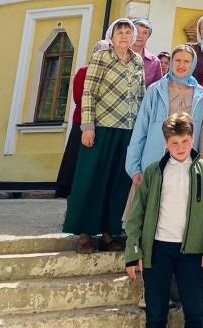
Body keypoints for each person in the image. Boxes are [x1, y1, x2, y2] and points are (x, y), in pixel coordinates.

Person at [124, 112, 203, 328]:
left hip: (192, 253)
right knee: (156, 314)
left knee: (196, 313)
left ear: (192, 139)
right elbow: (136, 214)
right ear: (166, 143)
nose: (181, 147)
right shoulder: (154, 171)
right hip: (157, 249)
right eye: (174, 142)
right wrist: (133, 252)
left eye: (185, 141)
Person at [63, 19, 145, 253]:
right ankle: (84, 234)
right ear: (112, 35)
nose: (124, 36)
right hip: (101, 128)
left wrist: (142, 129)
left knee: (119, 182)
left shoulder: (137, 60)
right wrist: (87, 126)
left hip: (128, 129)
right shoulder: (101, 57)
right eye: (119, 31)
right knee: (92, 179)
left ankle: (110, 233)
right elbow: (88, 91)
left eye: (128, 32)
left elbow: (141, 94)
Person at [126, 44, 203, 190]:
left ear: (193, 64)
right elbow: (141, 128)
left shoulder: (202, 95)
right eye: (177, 60)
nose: (181, 65)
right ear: (171, 62)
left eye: (186, 61)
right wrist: (133, 168)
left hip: (185, 165)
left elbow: (202, 134)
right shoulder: (155, 90)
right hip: (153, 162)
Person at [55, 40, 111, 199]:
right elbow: (80, 97)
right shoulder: (83, 72)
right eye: (99, 52)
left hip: (103, 125)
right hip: (83, 124)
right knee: (77, 166)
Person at [132, 18, 163, 88]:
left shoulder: (155, 62)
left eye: (145, 33)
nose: (140, 35)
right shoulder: (119, 54)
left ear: (148, 36)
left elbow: (157, 88)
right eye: (137, 31)